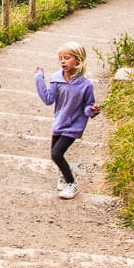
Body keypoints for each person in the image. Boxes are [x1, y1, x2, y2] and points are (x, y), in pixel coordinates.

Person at [34, 41, 100, 199]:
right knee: (54, 154)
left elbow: (87, 106)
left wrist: (92, 111)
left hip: (74, 125)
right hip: (59, 123)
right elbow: (48, 99)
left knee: (57, 154)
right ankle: (63, 178)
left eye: (67, 58)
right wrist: (39, 78)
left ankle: (72, 184)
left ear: (78, 60)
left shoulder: (86, 85)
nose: (63, 61)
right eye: (61, 58)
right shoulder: (56, 79)